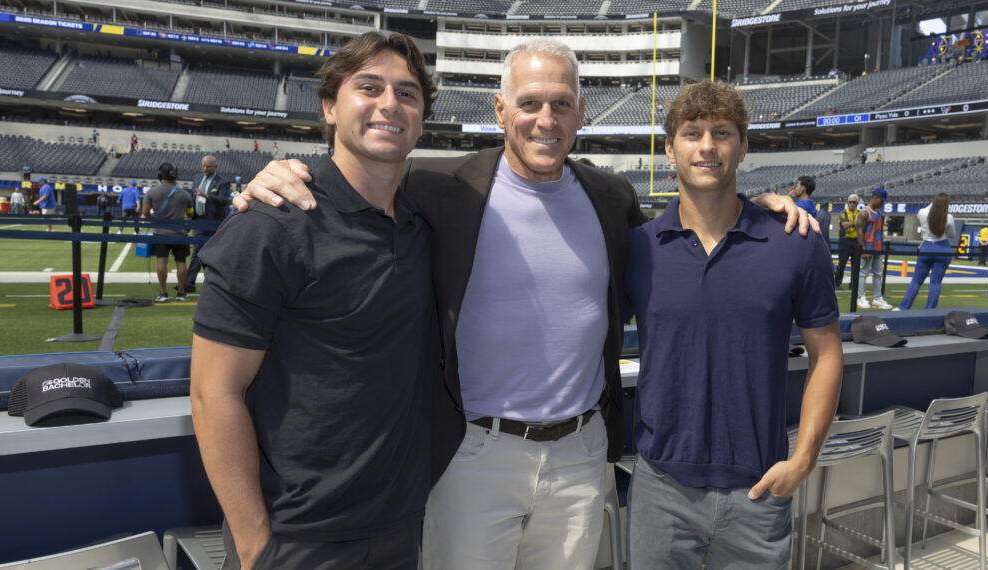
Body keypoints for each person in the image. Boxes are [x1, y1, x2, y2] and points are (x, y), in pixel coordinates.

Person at [237, 39, 815, 570]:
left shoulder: (611, 199)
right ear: (500, 110)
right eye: (531, 102)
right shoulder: (441, 190)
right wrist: (290, 170)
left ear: (581, 114)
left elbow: (692, 237)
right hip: (474, 455)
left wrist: (757, 207)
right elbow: (360, 172)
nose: (546, 119)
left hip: (582, 456)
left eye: (561, 104)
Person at [190, 31, 438, 569]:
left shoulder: (423, 222)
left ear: (422, 116)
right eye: (368, 87)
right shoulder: (271, 223)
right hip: (295, 536)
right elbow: (213, 393)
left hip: (399, 527)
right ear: (329, 105)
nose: (389, 104)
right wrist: (256, 545)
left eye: (407, 93)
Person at [624, 80, 843, 568]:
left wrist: (803, 459)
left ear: (743, 146)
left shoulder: (794, 242)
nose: (706, 146)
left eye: (721, 133)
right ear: (670, 147)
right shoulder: (637, 247)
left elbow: (827, 354)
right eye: (692, 133)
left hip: (758, 491)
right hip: (662, 489)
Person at [141, 162, 193, 303]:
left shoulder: (152, 192)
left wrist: (156, 219)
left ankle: (163, 293)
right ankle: (181, 293)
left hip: (161, 233)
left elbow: (145, 212)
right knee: (181, 262)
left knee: (161, 261)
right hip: (180, 234)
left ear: (160, 175)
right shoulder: (185, 194)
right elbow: (190, 214)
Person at [897, 192, 956, 310]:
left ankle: (904, 307)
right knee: (936, 283)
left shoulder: (922, 213)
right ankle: (930, 310)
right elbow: (952, 235)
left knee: (916, 280)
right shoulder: (949, 217)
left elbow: (926, 214)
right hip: (943, 248)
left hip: (927, 247)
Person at [183, 155, 231, 293]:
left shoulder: (223, 182)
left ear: (215, 167)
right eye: (203, 165)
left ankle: (215, 283)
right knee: (196, 253)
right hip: (199, 221)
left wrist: (207, 196)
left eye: (208, 166)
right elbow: (193, 196)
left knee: (214, 254)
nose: (205, 168)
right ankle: (188, 283)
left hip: (214, 223)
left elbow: (223, 200)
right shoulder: (198, 177)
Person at [857, 187, 892, 309]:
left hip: (878, 247)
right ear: (875, 198)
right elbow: (859, 231)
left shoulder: (878, 213)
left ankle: (877, 299)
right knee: (863, 273)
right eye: (881, 201)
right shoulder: (864, 213)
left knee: (878, 274)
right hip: (868, 247)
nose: (882, 204)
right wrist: (863, 248)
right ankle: (860, 297)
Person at [836, 193, 861, 289]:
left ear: (857, 203)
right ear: (847, 203)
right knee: (842, 263)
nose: (852, 204)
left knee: (855, 265)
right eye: (850, 202)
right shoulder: (843, 212)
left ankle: (853, 284)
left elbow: (862, 225)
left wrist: (851, 224)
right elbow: (845, 226)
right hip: (845, 241)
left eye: (854, 202)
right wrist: (856, 224)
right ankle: (837, 283)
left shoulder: (859, 213)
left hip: (856, 241)